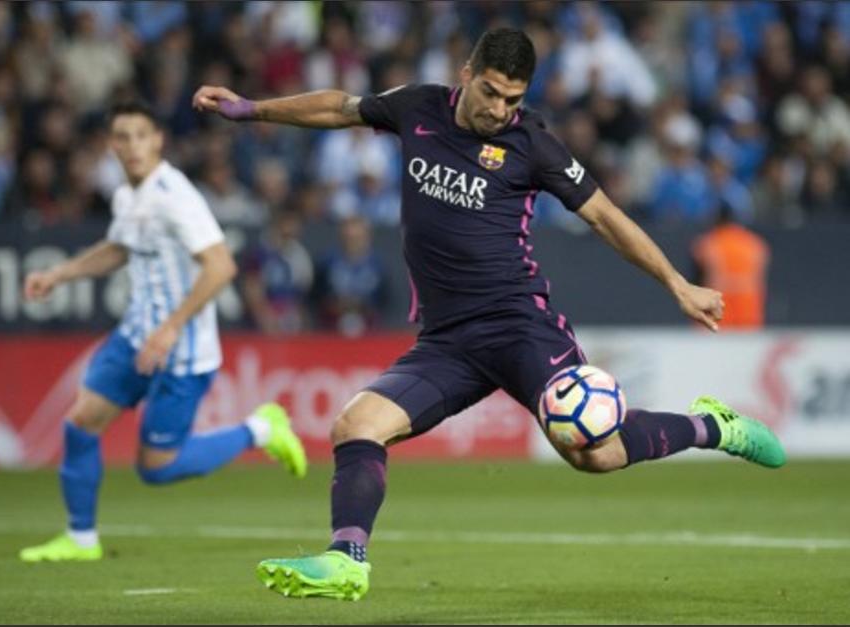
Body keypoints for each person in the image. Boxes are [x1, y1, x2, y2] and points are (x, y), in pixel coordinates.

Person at [193, 27, 786, 601]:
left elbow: (605, 216)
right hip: (447, 340)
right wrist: (252, 110)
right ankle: (345, 561)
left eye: (514, 99)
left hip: (519, 325)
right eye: (492, 93)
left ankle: (713, 426)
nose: (501, 109)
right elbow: (339, 108)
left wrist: (678, 283)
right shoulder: (415, 107)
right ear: (467, 75)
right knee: (355, 425)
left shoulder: (532, 145)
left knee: (594, 453)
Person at [18, 102, 308, 563]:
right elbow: (118, 248)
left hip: (181, 351)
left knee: (157, 468)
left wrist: (170, 328)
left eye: (141, 136)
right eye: (122, 137)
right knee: (80, 423)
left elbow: (221, 266)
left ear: (158, 141)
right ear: (112, 145)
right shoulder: (126, 195)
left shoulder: (175, 196)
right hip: (135, 336)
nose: (132, 146)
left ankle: (259, 429)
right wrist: (60, 274)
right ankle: (80, 539)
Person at [691, 203, 770, 329]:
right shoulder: (755, 244)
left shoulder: (708, 243)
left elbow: (696, 279)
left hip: (718, 308)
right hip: (748, 307)